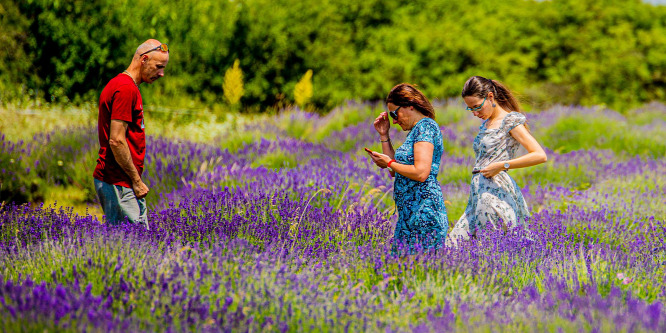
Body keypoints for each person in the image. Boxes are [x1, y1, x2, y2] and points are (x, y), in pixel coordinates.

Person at [447, 76, 547, 246]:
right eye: (470, 109)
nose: (475, 113)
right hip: (478, 193)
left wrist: (502, 165)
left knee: (489, 246)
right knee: (454, 245)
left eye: (477, 106)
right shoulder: (486, 123)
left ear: (490, 97)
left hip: (495, 193)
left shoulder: (510, 121)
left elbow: (539, 155)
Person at [92, 39, 169, 229]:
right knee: (137, 242)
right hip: (118, 181)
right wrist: (136, 181)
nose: (162, 73)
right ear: (144, 59)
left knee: (126, 242)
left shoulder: (124, 85)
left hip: (119, 181)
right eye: (158, 66)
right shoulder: (125, 89)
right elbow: (116, 140)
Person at [367, 83, 448, 254]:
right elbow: (395, 170)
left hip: (424, 212)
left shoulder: (425, 127)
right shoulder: (415, 131)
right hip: (409, 214)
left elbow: (421, 173)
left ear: (410, 105)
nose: (394, 120)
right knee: (404, 267)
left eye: (395, 114)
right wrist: (384, 135)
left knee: (418, 267)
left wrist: (389, 163)